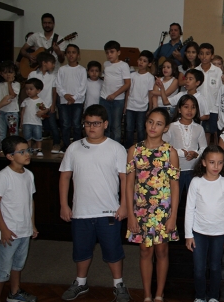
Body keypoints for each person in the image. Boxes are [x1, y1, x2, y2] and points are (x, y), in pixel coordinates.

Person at [59, 105, 131, 302]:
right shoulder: (74, 148)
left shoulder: (116, 148)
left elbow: (125, 180)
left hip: (108, 211)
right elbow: (65, 177)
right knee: (81, 250)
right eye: (88, 123)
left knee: (113, 250)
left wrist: (124, 205)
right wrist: (64, 205)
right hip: (81, 211)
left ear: (105, 124)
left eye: (96, 123)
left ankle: (119, 284)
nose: (91, 127)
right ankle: (80, 282)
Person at [126, 108, 179, 302]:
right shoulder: (135, 150)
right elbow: (129, 183)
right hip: (141, 210)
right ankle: (147, 294)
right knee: (145, 250)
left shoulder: (170, 152)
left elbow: (175, 186)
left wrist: (173, 215)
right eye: (150, 122)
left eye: (158, 123)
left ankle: (159, 294)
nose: (153, 127)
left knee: (162, 250)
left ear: (165, 128)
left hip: (163, 211)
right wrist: (131, 214)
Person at [186, 145, 224, 302]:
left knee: (215, 267)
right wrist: (188, 235)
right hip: (199, 233)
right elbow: (189, 209)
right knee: (199, 269)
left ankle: (213, 296)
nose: (216, 166)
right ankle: (200, 296)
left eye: (220, 163)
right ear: (204, 163)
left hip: (219, 234)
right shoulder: (196, 182)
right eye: (212, 162)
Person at [0, 136, 38, 302]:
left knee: (18, 264)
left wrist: (32, 225)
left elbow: (30, 201)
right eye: (22, 152)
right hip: (9, 231)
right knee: (3, 268)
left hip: (24, 229)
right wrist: (3, 229)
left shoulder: (29, 175)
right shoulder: (3, 177)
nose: (27, 154)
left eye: (28, 150)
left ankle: (14, 292)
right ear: (10, 156)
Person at [163, 95, 207, 202]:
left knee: (193, 201)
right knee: (173, 201)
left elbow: (204, 148)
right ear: (179, 109)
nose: (190, 110)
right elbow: (163, 146)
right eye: (186, 107)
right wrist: (179, 152)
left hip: (194, 170)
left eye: (193, 107)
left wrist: (196, 154)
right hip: (175, 170)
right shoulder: (172, 127)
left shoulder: (199, 128)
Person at [28, 52, 62, 153]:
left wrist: (53, 105)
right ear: (44, 63)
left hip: (48, 106)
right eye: (52, 63)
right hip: (35, 106)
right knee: (35, 126)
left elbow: (54, 92)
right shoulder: (32, 74)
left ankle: (56, 143)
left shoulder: (52, 77)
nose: (53, 65)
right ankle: (36, 144)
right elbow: (29, 90)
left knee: (53, 126)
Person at [55, 44, 87, 151]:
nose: (71, 55)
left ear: (78, 55)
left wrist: (74, 98)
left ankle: (77, 145)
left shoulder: (82, 70)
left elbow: (83, 87)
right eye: (68, 52)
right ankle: (66, 145)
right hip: (64, 102)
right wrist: (65, 95)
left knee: (77, 124)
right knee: (65, 124)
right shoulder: (62, 69)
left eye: (73, 52)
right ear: (65, 55)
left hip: (77, 102)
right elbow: (58, 85)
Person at [99, 40, 131, 143]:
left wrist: (114, 95)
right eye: (107, 52)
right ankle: (105, 146)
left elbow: (127, 84)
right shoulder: (106, 64)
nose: (109, 55)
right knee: (105, 124)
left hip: (117, 100)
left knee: (116, 126)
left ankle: (116, 147)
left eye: (112, 52)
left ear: (118, 52)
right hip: (104, 98)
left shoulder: (123, 65)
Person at [124, 50, 155, 148]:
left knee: (141, 129)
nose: (141, 62)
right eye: (140, 60)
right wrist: (125, 105)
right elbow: (128, 91)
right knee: (129, 128)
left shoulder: (150, 78)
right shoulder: (132, 75)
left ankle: (141, 148)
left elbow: (150, 94)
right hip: (130, 106)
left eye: (144, 61)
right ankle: (129, 148)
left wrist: (150, 109)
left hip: (142, 108)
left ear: (149, 64)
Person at [196, 43, 223, 145]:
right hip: (199, 109)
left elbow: (220, 91)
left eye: (207, 54)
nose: (204, 56)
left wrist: (219, 110)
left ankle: (215, 154)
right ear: (198, 55)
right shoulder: (195, 71)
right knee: (200, 133)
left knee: (214, 133)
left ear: (212, 56)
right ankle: (202, 154)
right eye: (201, 54)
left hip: (213, 108)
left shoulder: (218, 72)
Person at [0, 61, 20, 149]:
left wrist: (9, 84)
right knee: (1, 132)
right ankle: (2, 149)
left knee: (13, 132)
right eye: (5, 72)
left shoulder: (16, 84)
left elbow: (12, 95)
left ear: (15, 73)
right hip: (0, 112)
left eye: (10, 72)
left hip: (12, 112)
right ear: (1, 74)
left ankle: (13, 148)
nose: (8, 75)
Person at [20, 78, 46, 156]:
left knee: (38, 137)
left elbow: (45, 109)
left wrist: (42, 112)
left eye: (31, 89)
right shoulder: (25, 100)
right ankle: (28, 149)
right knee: (27, 138)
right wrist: (21, 121)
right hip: (26, 122)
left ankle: (39, 150)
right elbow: (23, 111)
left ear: (38, 90)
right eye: (27, 89)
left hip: (36, 122)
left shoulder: (40, 101)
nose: (28, 91)